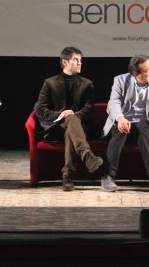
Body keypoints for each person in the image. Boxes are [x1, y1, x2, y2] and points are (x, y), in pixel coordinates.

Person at [35, 47, 103, 191]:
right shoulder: (50, 83)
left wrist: (72, 116)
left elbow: (89, 109)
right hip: (57, 127)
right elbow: (40, 110)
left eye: (81, 60)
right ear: (65, 62)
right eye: (76, 60)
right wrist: (60, 115)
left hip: (81, 127)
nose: (80, 63)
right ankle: (87, 157)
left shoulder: (87, 84)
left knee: (71, 127)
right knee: (69, 126)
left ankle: (67, 177)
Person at [101, 54, 149, 192]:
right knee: (121, 128)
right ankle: (108, 177)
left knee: (140, 125)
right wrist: (120, 118)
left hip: (145, 125)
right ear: (135, 74)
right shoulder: (120, 80)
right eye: (147, 70)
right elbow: (114, 102)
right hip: (123, 121)